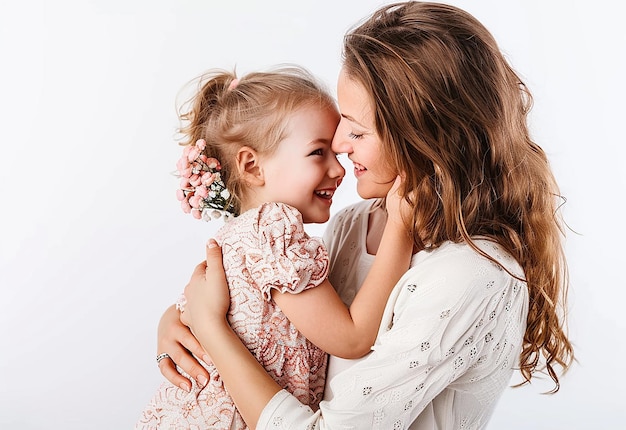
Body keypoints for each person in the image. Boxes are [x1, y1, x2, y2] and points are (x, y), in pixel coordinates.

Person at [158, 2, 575, 428]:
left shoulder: (472, 272)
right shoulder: (351, 225)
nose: (340, 144)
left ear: (424, 136)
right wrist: (181, 321)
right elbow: (271, 312)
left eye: (356, 130)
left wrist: (211, 329)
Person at [136, 66, 413, 429]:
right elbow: (353, 337)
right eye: (318, 153)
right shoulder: (273, 232)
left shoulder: (244, 234)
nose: (339, 169)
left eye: (336, 153)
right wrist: (401, 224)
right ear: (252, 166)